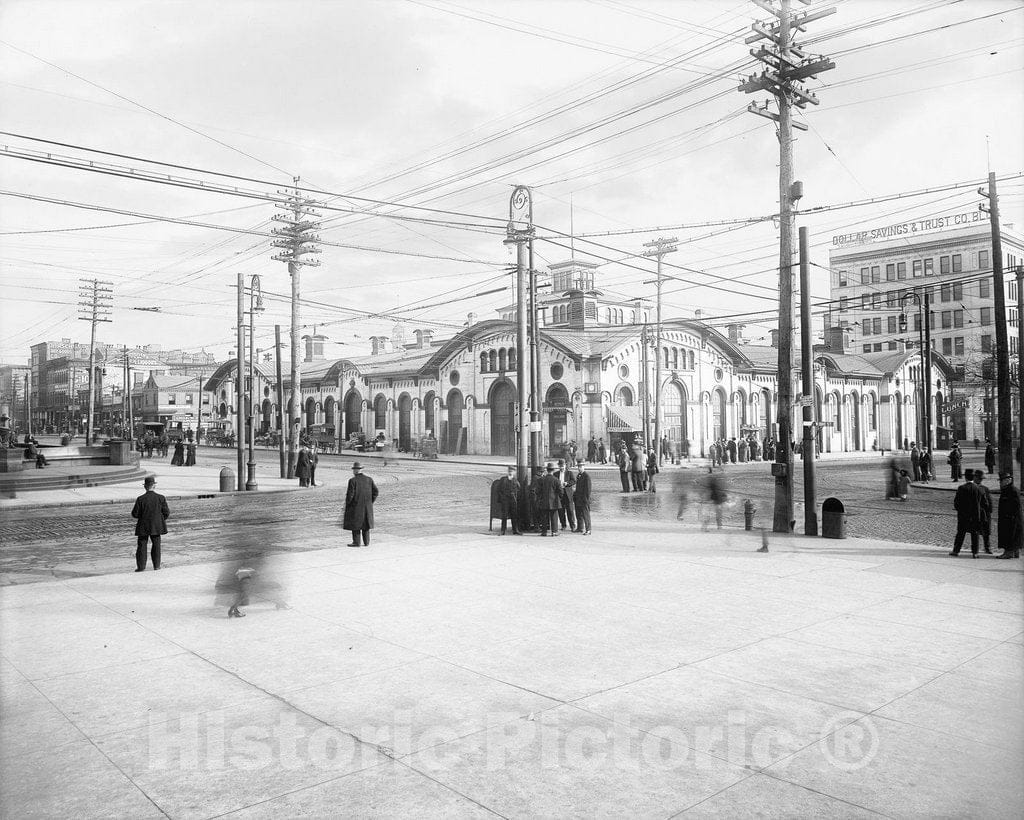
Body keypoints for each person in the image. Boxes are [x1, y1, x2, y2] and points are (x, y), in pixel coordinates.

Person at [131, 476, 169, 571]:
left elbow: (135, 514)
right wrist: (159, 520)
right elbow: (166, 513)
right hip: (156, 526)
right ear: (154, 486)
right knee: (156, 545)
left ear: (145, 487)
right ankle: (156, 566)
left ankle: (141, 567)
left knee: (142, 546)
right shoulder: (161, 498)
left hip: (143, 526)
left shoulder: (140, 499)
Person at [343, 462, 378, 547]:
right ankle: (366, 542)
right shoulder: (369, 479)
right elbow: (375, 492)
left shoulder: (352, 481)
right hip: (367, 507)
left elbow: (350, 495)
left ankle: (356, 542)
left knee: (356, 525)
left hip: (356, 506)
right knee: (366, 524)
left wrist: (348, 504)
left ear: (355, 470)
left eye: (354, 469)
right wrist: (370, 502)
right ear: (361, 470)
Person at [951, 469, 984, 558]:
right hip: (975, 515)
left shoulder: (962, 488)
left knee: (960, 533)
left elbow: (956, 503)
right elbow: (980, 503)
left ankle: (956, 551)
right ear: (973, 477)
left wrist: (960, 510)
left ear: (965, 478)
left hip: (963, 515)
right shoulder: (978, 488)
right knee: (975, 534)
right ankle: (975, 552)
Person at [997, 473, 1022, 559]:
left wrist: (1009, 515)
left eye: (1002, 481)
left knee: (1010, 534)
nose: (1000, 482)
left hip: (1010, 518)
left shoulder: (1012, 490)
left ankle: (1008, 553)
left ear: (1008, 480)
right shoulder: (1008, 489)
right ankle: (1015, 551)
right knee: (1013, 535)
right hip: (1009, 517)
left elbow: (1016, 506)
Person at [536, 463, 561, 536]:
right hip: (554, 502)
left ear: (547, 470)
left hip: (544, 501)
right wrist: (558, 498)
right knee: (554, 517)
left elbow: (537, 491)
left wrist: (540, 498)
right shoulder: (556, 480)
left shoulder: (541, 480)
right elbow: (560, 491)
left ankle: (544, 532)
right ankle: (554, 532)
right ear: (553, 470)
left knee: (544, 517)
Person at [495, 465, 522, 535]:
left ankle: (515, 530)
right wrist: (502, 498)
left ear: (514, 472)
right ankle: (503, 530)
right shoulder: (503, 479)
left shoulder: (515, 481)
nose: (510, 472)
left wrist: (515, 497)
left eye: (512, 471)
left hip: (513, 500)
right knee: (504, 515)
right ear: (507, 471)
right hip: (505, 500)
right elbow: (498, 490)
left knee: (514, 515)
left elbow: (519, 489)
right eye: (509, 471)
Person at [972, 471, 994, 554]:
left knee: (986, 532)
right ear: (974, 478)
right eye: (979, 478)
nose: (980, 480)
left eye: (981, 479)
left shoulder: (985, 488)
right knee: (975, 531)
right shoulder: (970, 488)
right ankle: (975, 549)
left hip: (984, 513)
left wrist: (989, 511)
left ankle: (987, 547)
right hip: (974, 513)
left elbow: (989, 501)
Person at [555, 459, 576, 531]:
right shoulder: (556, 474)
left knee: (570, 511)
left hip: (568, 494)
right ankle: (563, 525)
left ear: (565, 465)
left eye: (563, 466)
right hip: (560, 494)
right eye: (560, 466)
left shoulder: (569, 473)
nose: (562, 467)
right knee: (561, 511)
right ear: (558, 466)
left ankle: (572, 526)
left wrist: (567, 483)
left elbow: (573, 481)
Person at [572, 461, 592, 534]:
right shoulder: (579, 475)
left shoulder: (586, 476)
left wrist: (586, 499)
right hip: (578, 498)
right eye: (578, 467)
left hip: (584, 499)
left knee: (585, 515)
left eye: (581, 467)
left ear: (584, 467)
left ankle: (588, 529)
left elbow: (588, 490)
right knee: (578, 514)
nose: (579, 468)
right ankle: (580, 528)